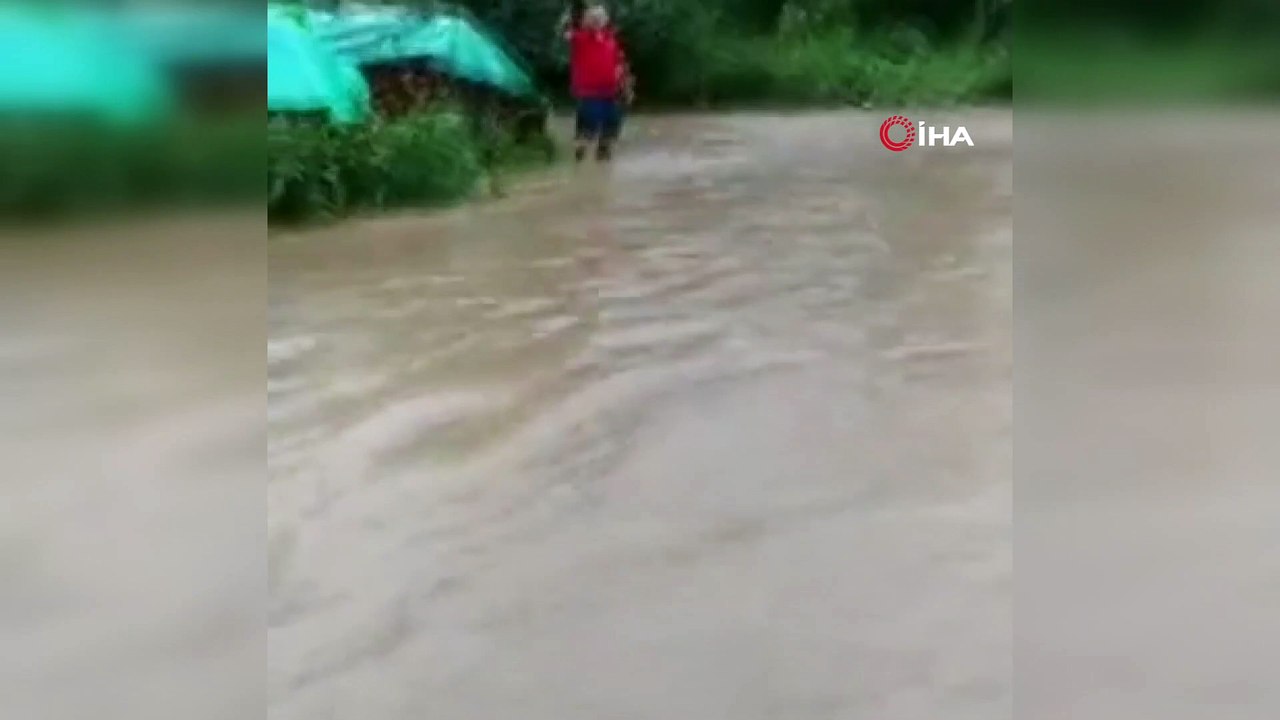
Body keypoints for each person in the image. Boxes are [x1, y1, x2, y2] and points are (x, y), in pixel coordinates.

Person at [561, 5, 633, 162]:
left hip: (611, 92)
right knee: (587, 131)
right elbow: (565, 33)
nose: (597, 21)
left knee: (611, 128)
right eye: (593, 18)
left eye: (600, 18)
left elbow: (620, 64)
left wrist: (626, 84)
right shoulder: (580, 38)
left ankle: (602, 161)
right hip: (588, 93)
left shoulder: (611, 39)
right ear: (587, 21)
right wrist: (567, 17)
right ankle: (579, 162)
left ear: (605, 20)